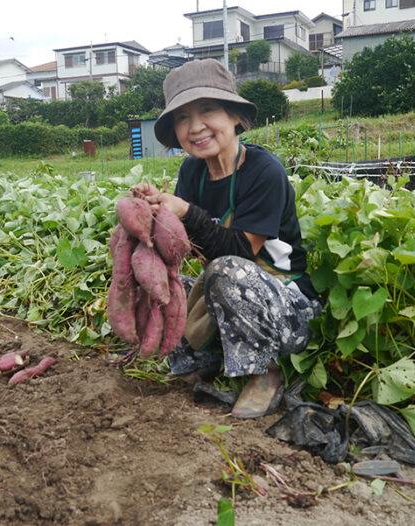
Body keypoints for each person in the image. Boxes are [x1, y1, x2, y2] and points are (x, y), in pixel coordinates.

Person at [134, 59, 322, 419]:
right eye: (183, 117)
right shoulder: (192, 172)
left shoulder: (264, 171)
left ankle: (264, 372)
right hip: (230, 298)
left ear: (235, 116)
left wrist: (187, 212)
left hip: (288, 310)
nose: (196, 126)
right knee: (163, 285)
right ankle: (203, 361)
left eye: (207, 111)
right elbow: (185, 250)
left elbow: (240, 255)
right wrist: (154, 214)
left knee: (225, 270)